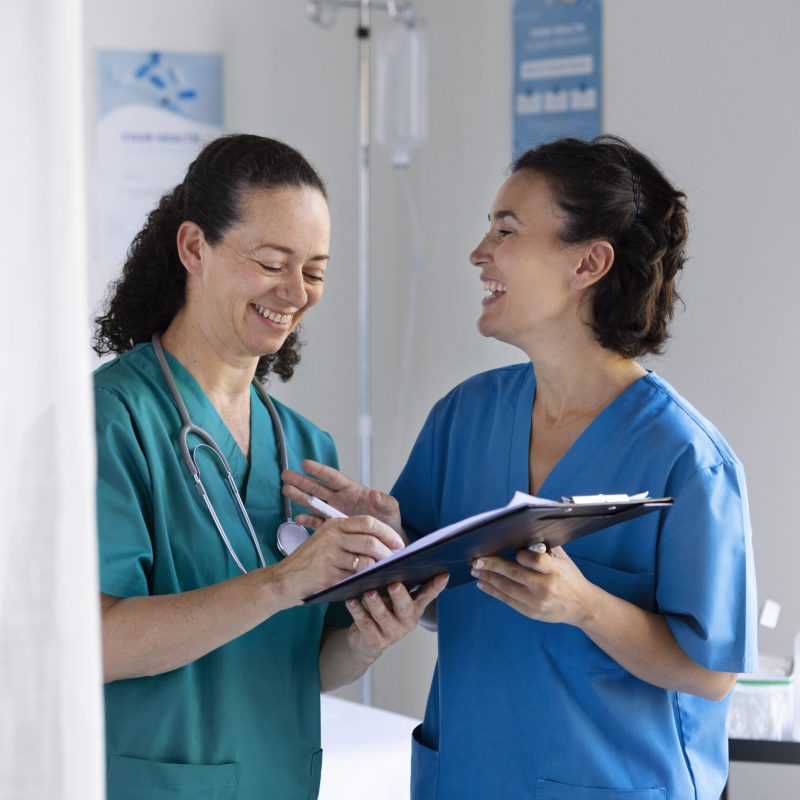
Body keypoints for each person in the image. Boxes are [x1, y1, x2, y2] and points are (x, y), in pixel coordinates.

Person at [282, 135, 758, 799]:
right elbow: (437, 603)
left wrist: (584, 606)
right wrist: (396, 541)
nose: (480, 253)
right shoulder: (464, 418)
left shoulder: (686, 458)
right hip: (471, 776)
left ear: (588, 263)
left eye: (506, 229)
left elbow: (711, 673)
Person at [92, 133, 447, 800]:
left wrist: (375, 632)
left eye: (313, 271)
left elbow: (301, 665)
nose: (295, 292)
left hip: (280, 779)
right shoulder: (113, 420)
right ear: (194, 248)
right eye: (272, 262)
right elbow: (96, 645)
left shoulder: (306, 451)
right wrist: (284, 581)